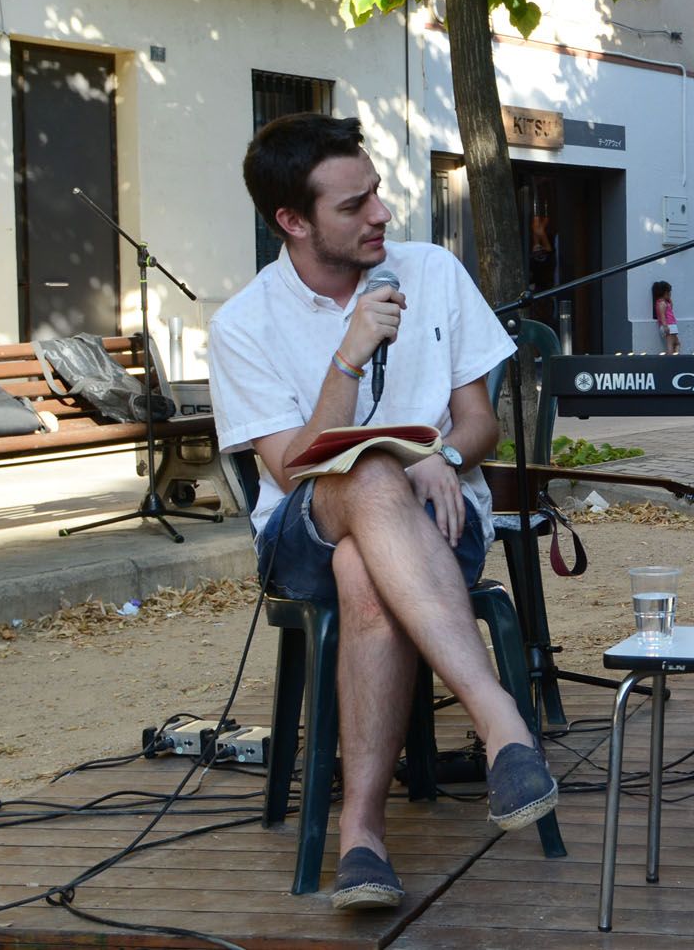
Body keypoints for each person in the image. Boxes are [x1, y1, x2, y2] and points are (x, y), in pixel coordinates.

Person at [208, 114, 557, 912]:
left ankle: (361, 835)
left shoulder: (432, 271)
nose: (381, 213)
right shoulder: (243, 324)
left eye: (376, 192)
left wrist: (446, 457)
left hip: (438, 523)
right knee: (365, 476)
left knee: (363, 567)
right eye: (353, 204)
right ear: (292, 221)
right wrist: (349, 357)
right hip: (302, 531)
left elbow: (479, 422)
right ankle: (502, 721)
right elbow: (293, 468)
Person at [652, 279, 681, 354]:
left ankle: (674, 356)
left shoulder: (665, 302)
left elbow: (670, 309)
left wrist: (670, 301)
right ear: (665, 292)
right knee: (671, 344)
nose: (670, 294)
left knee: (677, 343)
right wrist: (665, 326)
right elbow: (662, 316)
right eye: (669, 292)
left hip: (671, 325)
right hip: (668, 325)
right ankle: (671, 358)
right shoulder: (662, 303)